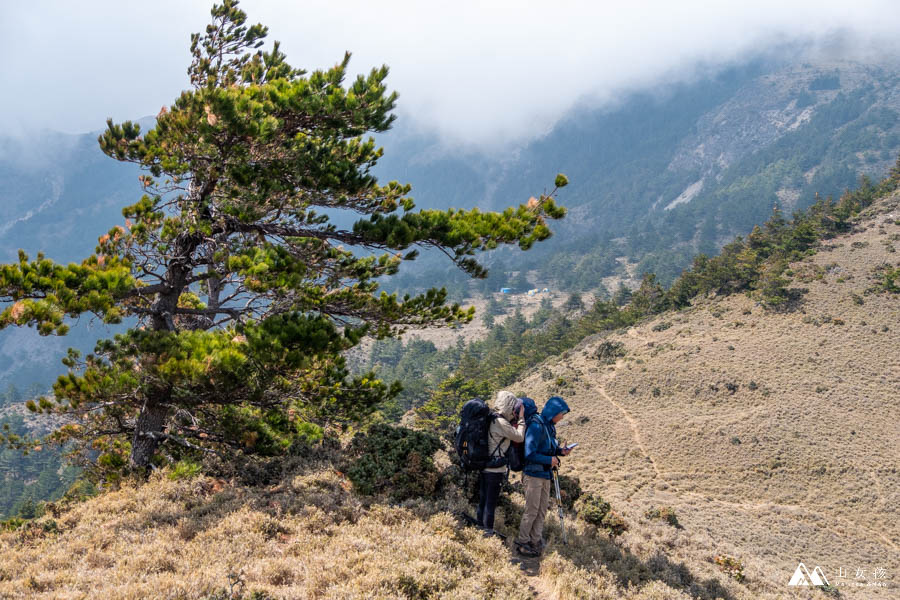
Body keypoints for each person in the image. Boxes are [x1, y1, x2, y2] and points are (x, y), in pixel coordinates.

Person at [515, 395, 571, 556]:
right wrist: (550, 459)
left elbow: (549, 448)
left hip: (545, 474)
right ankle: (523, 542)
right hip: (533, 475)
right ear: (554, 412)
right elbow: (529, 453)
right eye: (561, 413)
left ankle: (536, 540)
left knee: (541, 510)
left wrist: (561, 452)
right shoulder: (536, 425)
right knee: (532, 510)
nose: (562, 417)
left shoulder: (549, 426)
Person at [476, 390, 525, 536]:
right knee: (491, 502)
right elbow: (519, 437)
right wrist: (521, 419)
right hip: (495, 469)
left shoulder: (491, 417)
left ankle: (479, 527)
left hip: (484, 464)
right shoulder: (501, 422)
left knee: (483, 499)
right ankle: (488, 532)